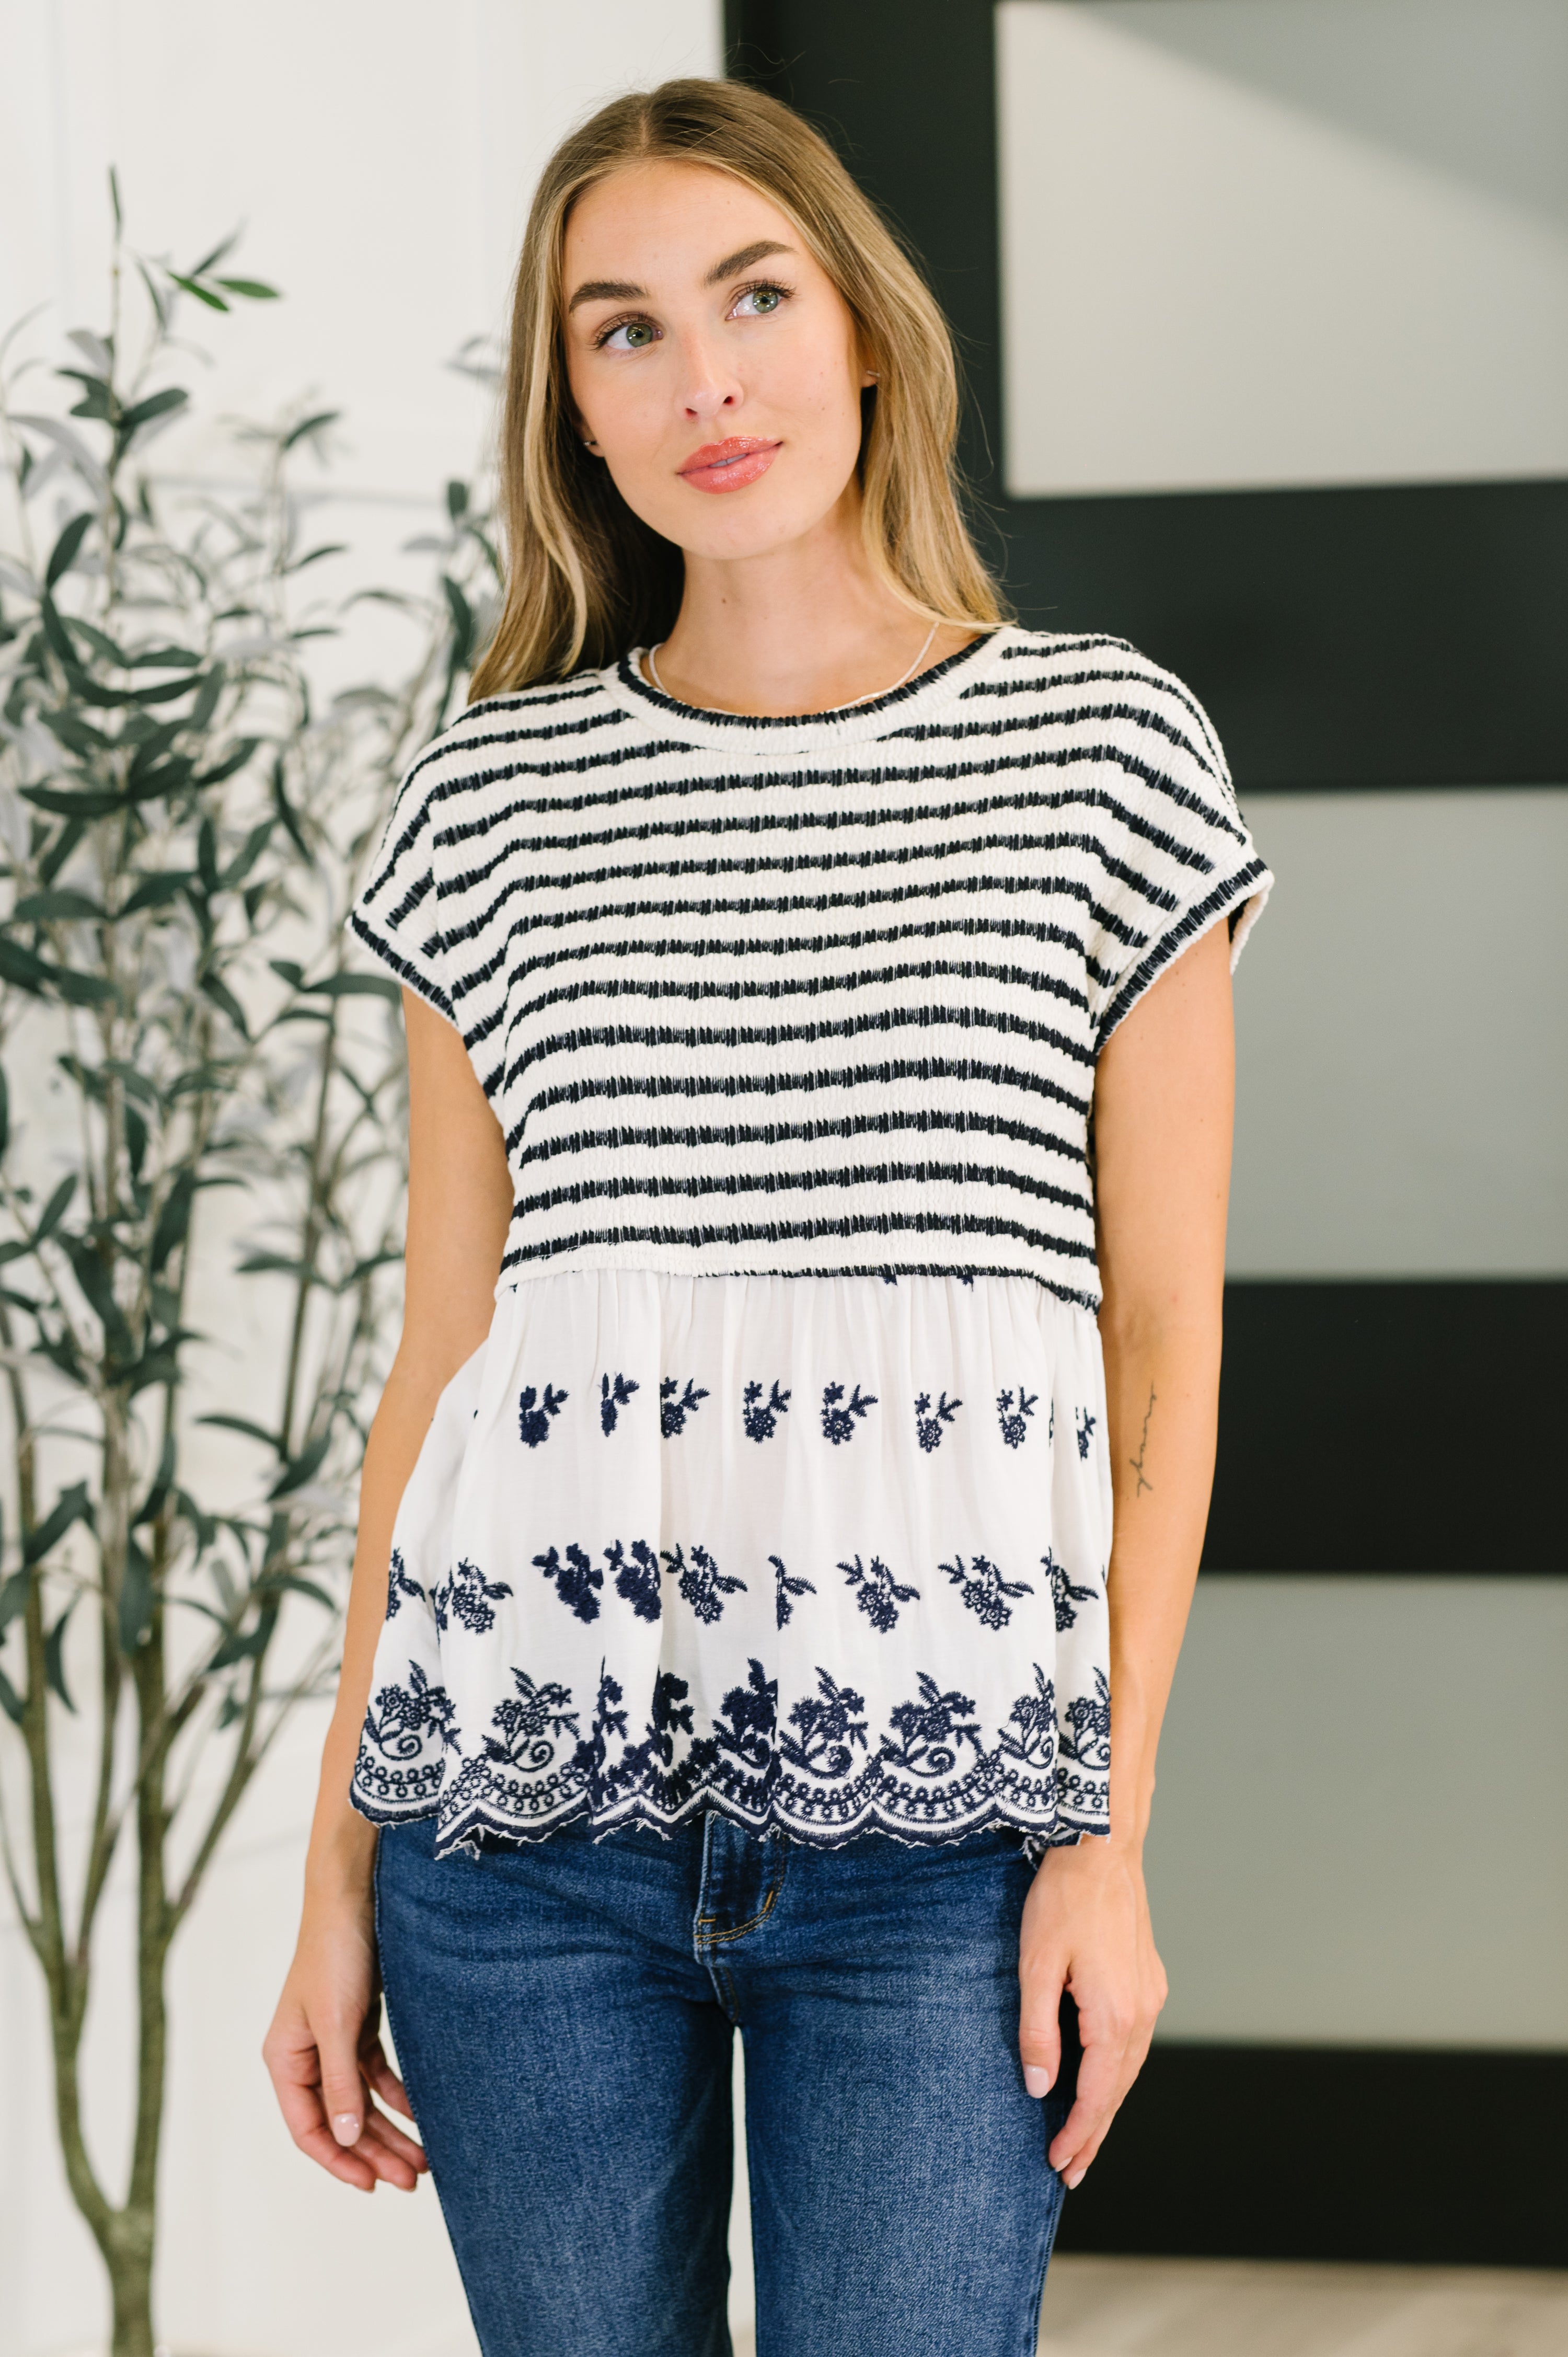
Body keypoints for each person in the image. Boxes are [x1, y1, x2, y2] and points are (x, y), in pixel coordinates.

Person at [263, 76, 1271, 2357]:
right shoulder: (489, 797)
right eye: (622, 332)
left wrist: (1106, 1840)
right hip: (515, 1840)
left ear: (866, 333)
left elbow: (1158, 1352)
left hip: (948, 1847)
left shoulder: (1105, 754)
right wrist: (335, 1880)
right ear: (577, 419)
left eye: (752, 296)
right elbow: (438, 1368)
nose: (703, 378)